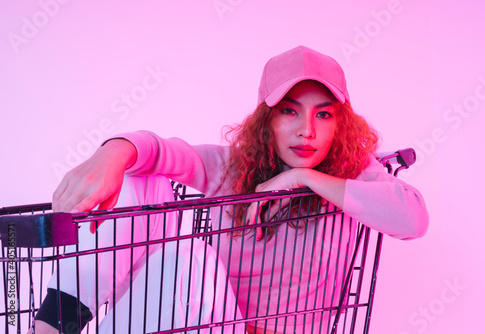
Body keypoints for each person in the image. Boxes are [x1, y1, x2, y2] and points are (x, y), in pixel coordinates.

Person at [30, 45, 429, 334]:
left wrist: (305, 178)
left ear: (340, 123)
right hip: (204, 321)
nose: (307, 130)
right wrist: (113, 154)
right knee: (140, 176)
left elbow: (412, 218)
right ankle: (53, 326)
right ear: (266, 119)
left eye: (323, 114)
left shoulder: (351, 173)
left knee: (189, 254)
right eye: (289, 110)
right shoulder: (230, 167)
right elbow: (161, 152)